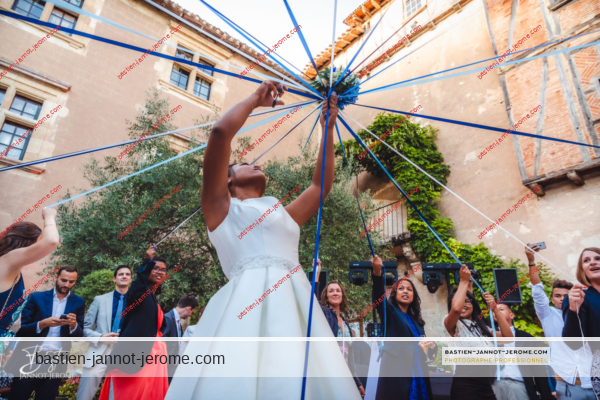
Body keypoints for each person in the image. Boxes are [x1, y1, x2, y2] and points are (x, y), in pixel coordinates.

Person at [166, 82, 360, 400]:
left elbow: (319, 187)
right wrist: (255, 100)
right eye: (243, 162)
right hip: (244, 304)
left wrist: (329, 127)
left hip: (295, 301)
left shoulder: (280, 212)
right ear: (227, 179)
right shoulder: (220, 208)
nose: (255, 163)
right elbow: (219, 135)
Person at [99, 247, 169, 400]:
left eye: (163, 269)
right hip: (136, 356)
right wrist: (147, 261)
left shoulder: (152, 296)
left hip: (154, 358)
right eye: (155, 268)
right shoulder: (140, 292)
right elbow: (138, 284)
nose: (159, 272)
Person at [525, 244, 594, 399]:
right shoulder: (548, 315)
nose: (562, 299)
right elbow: (537, 289)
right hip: (569, 386)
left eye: (566, 295)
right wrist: (531, 261)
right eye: (558, 296)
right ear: (552, 299)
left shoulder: (586, 313)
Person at [9, 265, 84, 400]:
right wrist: (43, 324)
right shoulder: (36, 297)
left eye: (71, 282)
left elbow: (79, 337)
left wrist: (74, 325)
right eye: (63, 280)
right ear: (56, 277)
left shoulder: (78, 302)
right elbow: (21, 330)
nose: (67, 284)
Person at [443, 265, 514, 400]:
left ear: (474, 305)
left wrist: (495, 309)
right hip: (465, 385)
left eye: (468, 302)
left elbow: (508, 338)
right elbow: (456, 310)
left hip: (486, 385)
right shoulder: (451, 324)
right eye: (459, 301)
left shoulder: (482, 327)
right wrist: (463, 282)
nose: (464, 304)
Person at [370, 255, 436, 400]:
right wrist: (377, 273)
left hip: (419, 374)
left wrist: (431, 348)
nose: (405, 291)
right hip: (398, 376)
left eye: (409, 289)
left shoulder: (418, 322)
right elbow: (378, 298)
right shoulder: (390, 312)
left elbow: (426, 353)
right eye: (401, 288)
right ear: (395, 293)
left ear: (414, 295)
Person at [0, 208, 59, 342]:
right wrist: (49, 216)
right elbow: (51, 241)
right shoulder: (9, 260)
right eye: (37, 244)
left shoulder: (12, 268)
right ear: (25, 243)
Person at [76, 265, 132, 400]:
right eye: (120, 274)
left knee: (117, 395)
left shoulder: (137, 303)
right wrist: (101, 337)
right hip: (98, 350)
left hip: (123, 353)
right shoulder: (99, 300)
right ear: (114, 278)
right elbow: (84, 329)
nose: (124, 276)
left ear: (130, 279)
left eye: (127, 274)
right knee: (84, 395)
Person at [313, 259, 365, 397]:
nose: (335, 293)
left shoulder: (346, 324)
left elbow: (351, 358)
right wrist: (316, 275)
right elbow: (312, 301)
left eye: (338, 291)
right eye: (331, 291)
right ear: (326, 296)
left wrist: (358, 382)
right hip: (327, 371)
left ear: (342, 296)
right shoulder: (324, 314)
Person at [482, 299, 553, 400]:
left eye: (501, 309)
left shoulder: (527, 338)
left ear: (512, 315)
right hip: (494, 385)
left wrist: (546, 395)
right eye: (494, 311)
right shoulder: (489, 336)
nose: (496, 312)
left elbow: (538, 369)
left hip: (519, 385)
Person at [562, 247, 600, 398]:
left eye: (598, 258)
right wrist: (573, 309)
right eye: (586, 260)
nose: (592, 262)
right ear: (582, 269)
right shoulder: (578, 297)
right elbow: (574, 343)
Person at [163, 294, 198, 381]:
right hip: (165, 369)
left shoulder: (177, 322)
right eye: (191, 312)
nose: (190, 315)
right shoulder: (167, 319)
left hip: (171, 369)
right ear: (188, 309)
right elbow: (162, 344)